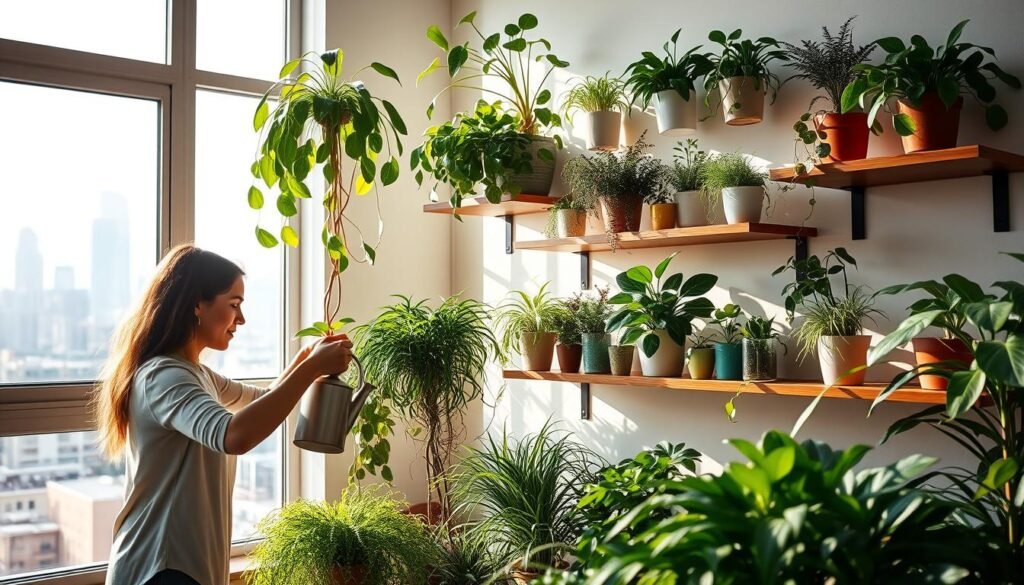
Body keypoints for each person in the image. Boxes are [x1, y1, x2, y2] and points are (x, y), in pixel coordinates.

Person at [94, 244, 352, 585]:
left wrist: (305, 361)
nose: (240, 319)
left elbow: (264, 402)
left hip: (183, 566)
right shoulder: (163, 376)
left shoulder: (195, 373)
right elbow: (235, 435)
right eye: (234, 305)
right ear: (197, 305)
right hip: (159, 568)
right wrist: (310, 369)